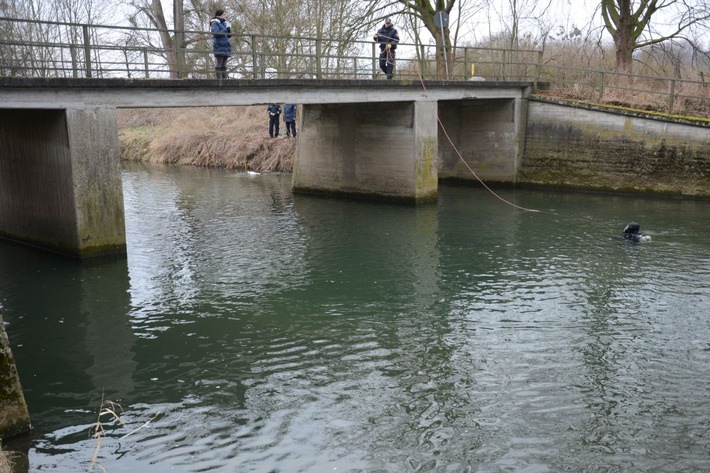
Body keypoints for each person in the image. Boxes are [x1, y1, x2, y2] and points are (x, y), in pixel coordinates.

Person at [210, 8, 232, 79]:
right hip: (219, 44)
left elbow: (228, 35)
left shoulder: (224, 23)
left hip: (226, 45)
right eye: (224, 14)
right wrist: (226, 29)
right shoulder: (215, 22)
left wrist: (229, 30)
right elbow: (216, 33)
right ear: (220, 15)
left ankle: (224, 79)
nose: (225, 15)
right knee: (219, 64)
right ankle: (219, 79)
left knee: (224, 65)